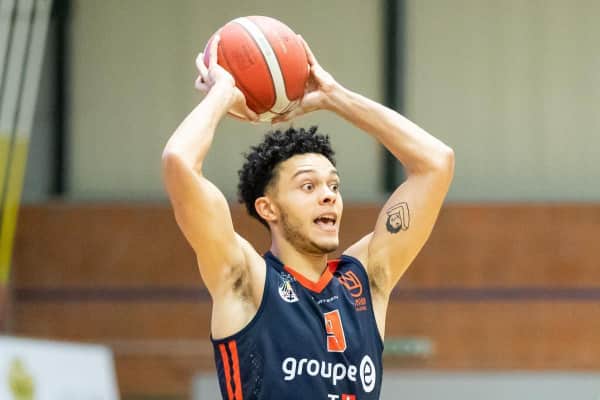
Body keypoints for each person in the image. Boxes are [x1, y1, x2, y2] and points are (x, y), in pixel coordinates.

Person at [162, 34, 454, 400]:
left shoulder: (365, 281)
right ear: (268, 208)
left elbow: (436, 162)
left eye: (333, 184)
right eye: (308, 186)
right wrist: (223, 93)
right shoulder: (246, 280)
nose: (328, 195)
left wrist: (335, 97)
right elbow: (178, 162)